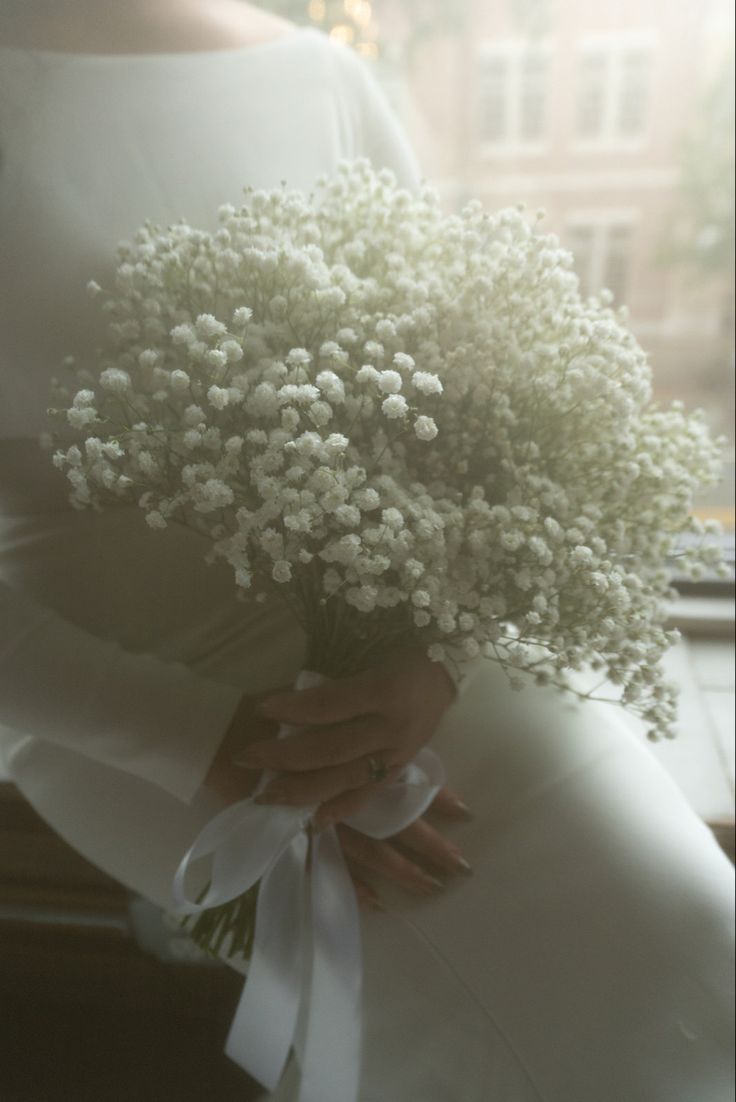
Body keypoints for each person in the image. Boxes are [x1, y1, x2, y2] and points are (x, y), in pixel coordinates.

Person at [0, 3, 733, 1100]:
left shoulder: (319, 77)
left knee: (683, 930)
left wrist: (435, 657)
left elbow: (469, 411)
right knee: (514, 1007)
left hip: (409, 658)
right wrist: (203, 740)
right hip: (126, 701)